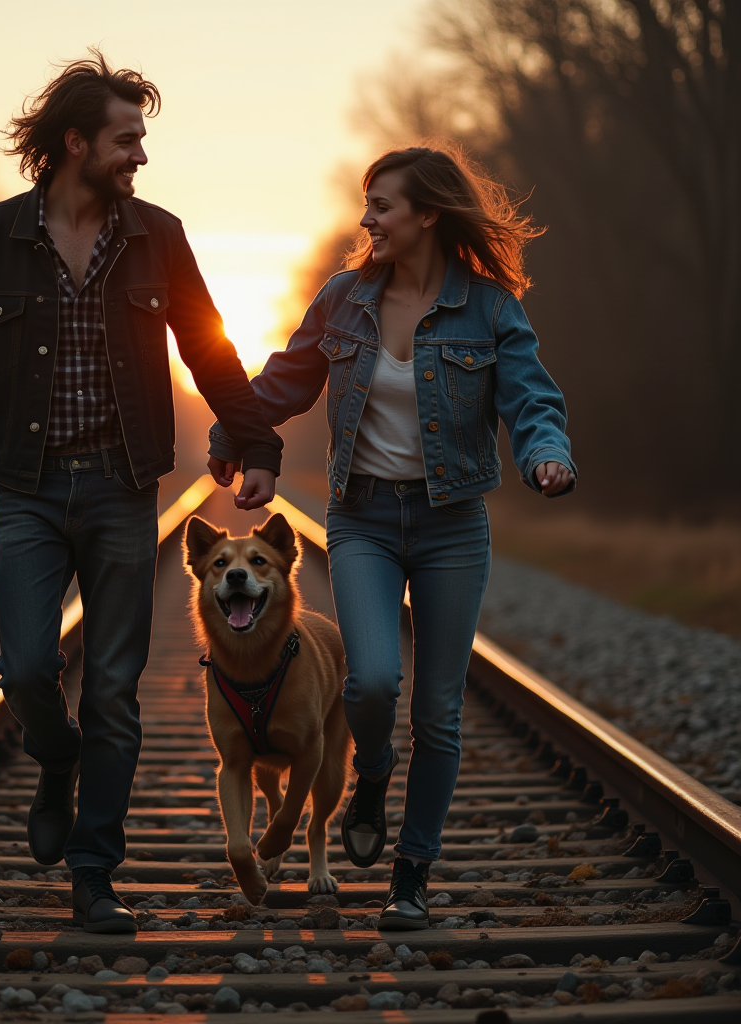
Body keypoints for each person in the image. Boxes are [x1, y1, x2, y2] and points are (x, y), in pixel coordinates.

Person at [0, 52, 281, 934]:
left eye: (140, 138)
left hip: (120, 488)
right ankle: (55, 759)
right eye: (125, 138)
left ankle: (94, 876)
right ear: (76, 143)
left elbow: (211, 348)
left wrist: (255, 439)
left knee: (112, 688)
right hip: (27, 491)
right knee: (29, 670)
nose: (139, 153)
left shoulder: (158, 235)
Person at [208, 146, 575, 929]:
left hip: (452, 525)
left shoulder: (491, 308)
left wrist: (546, 453)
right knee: (371, 681)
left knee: (439, 711)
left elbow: (532, 397)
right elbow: (284, 380)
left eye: (382, 205)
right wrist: (233, 430)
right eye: (365, 204)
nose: (366, 218)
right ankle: (370, 772)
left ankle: (411, 873)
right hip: (363, 518)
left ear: (428, 215)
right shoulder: (344, 299)